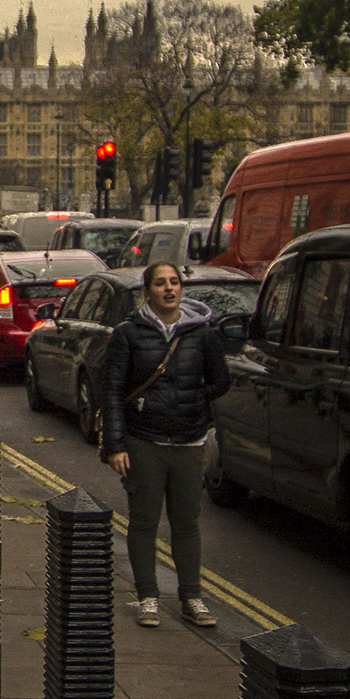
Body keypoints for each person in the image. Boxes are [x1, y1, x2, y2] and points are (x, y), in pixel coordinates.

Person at [100, 260, 231, 629]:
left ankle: (191, 597)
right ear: (148, 292)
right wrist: (115, 445)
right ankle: (148, 597)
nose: (169, 289)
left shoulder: (201, 333)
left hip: (189, 442)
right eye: (160, 284)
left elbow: (221, 380)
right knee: (144, 522)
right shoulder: (128, 334)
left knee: (186, 523)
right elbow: (111, 392)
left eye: (174, 282)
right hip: (144, 441)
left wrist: (194, 400)